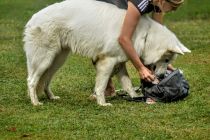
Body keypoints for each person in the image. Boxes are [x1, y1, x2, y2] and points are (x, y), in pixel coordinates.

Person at [96, 0, 184, 98]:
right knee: (105, 46)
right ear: (163, 1)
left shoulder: (158, 4)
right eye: (173, 7)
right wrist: (140, 68)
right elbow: (124, 39)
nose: (173, 10)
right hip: (103, 7)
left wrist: (162, 60)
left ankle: (146, 84)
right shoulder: (140, 2)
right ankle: (107, 88)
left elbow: (155, 33)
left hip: (124, 8)